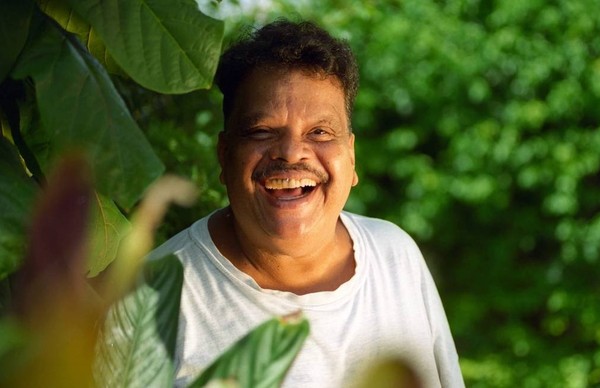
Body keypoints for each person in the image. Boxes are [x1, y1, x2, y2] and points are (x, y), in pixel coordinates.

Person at [150, 19, 464, 387]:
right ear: (225, 155)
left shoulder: (395, 256)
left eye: (320, 132)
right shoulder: (151, 302)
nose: (291, 152)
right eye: (262, 131)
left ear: (351, 157)